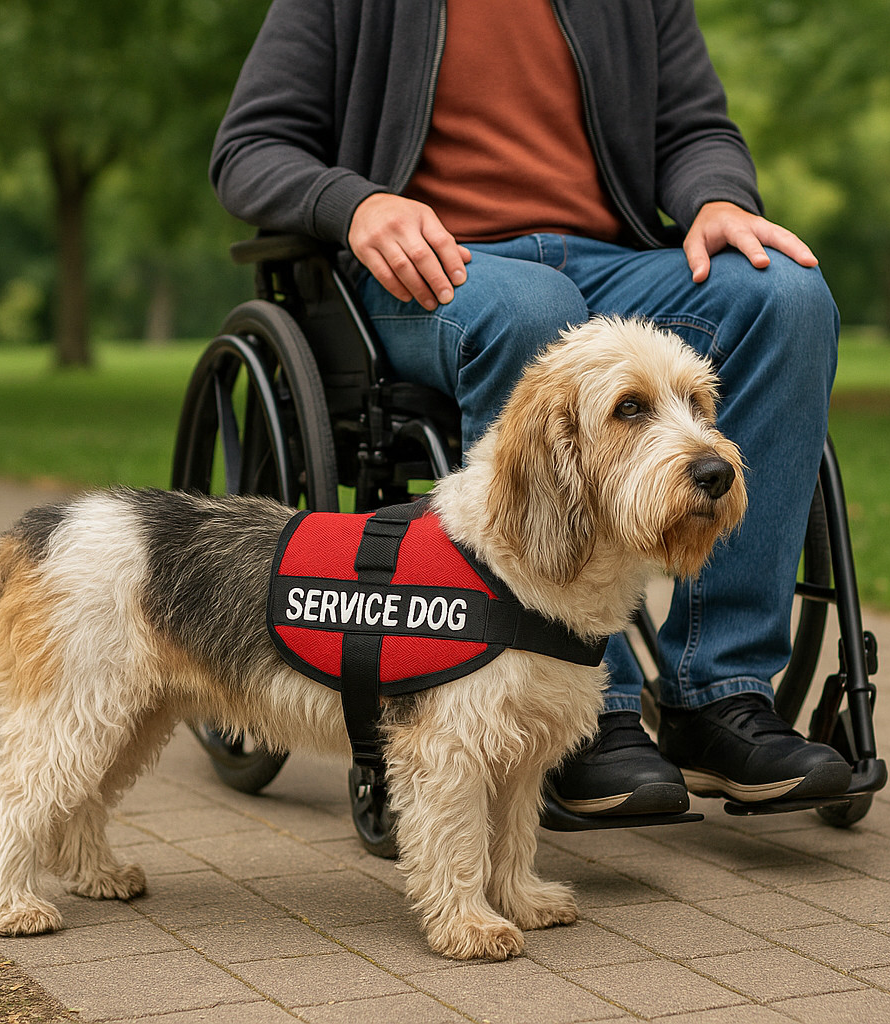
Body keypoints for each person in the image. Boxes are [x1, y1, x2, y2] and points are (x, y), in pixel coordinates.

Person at [210, 0, 850, 817]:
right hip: (435, 269)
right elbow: (249, 149)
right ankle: (588, 716)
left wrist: (717, 197)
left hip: (614, 264)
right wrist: (357, 203)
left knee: (787, 295)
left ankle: (722, 696)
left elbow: (694, 130)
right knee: (535, 312)